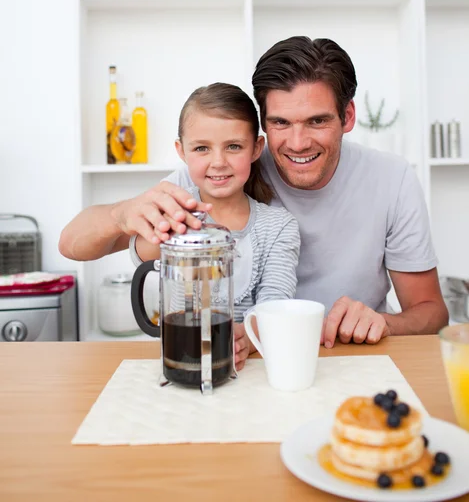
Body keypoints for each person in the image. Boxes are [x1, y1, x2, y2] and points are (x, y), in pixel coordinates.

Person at [59, 36, 449, 368]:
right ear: (263, 126)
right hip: (245, 367)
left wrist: (385, 322)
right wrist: (120, 213)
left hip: (346, 362)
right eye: (281, 122)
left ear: (347, 116)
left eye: (316, 121)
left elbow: (431, 311)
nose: (298, 143)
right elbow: (73, 244)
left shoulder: (392, 179)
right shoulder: (223, 173)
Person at [61, 83, 300, 370]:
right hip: (184, 365)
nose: (218, 162)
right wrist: (122, 215)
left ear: (256, 148)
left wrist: (247, 338)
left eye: (234, 146)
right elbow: (70, 245)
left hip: (256, 371)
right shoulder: (172, 216)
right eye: (201, 148)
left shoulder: (279, 226)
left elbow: (276, 305)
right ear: (182, 151)